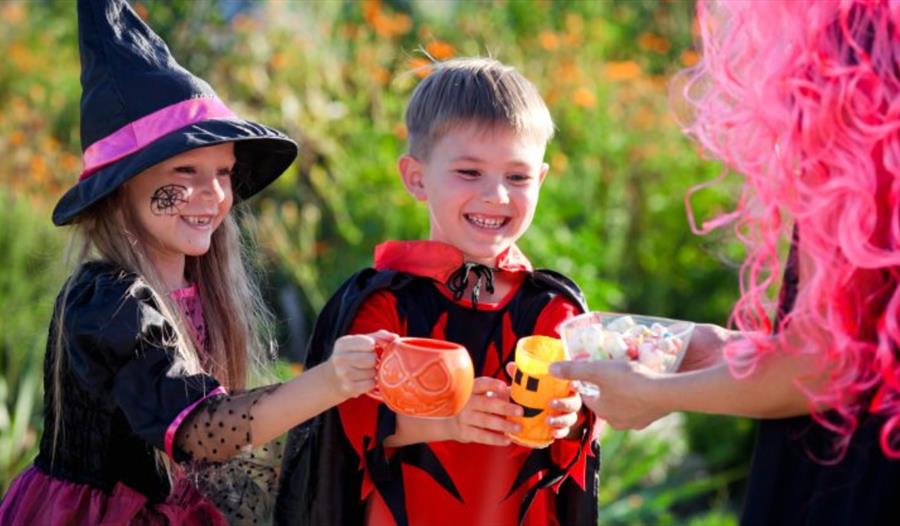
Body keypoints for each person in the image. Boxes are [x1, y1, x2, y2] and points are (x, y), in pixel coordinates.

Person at [0, 1, 382, 524]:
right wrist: (330, 380)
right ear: (121, 188)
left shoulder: (198, 286)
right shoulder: (109, 301)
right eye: (186, 170)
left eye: (223, 173)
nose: (213, 195)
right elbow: (205, 433)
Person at [550, 0, 900, 524]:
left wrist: (656, 392)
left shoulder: (857, 62)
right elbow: (861, 350)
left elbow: (821, 365)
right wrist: (721, 350)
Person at [276, 58, 600, 526]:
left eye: (518, 176)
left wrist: (571, 417)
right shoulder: (385, 302)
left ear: (541, 179)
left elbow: (580, 440)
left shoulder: (552, 308)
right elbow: (352, 429)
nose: (497, 195)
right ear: (415, 177)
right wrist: (447, 421)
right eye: (469, 172)